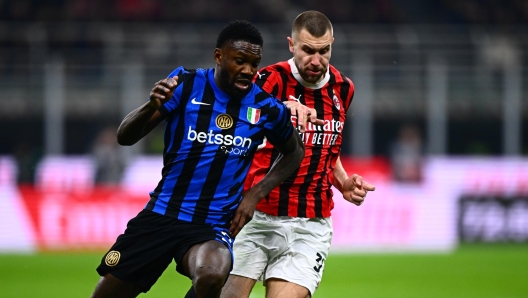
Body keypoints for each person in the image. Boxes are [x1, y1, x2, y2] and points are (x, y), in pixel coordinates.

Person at [90, 20, 305, 298]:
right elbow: (125, 137)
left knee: (212, 274)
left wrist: (255, 194)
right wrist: (150, 105)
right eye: (240, 61)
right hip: (161, 214)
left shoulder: (265, 107)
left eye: (255, 63)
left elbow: (294, 151)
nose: (248, 71)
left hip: (211, 225)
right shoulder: (186, 84)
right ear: (219, 56)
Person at [221, 11, 376, 298]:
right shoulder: (268, 80)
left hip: (310, 225)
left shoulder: (344, 88)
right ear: (292, 45)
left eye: (323, 51)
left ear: (332, 44)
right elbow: (234, 123)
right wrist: (280, 110)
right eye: (307, 50)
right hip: (256, 215)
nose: (315, 60)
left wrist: (343, 182)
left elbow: (328, 151)